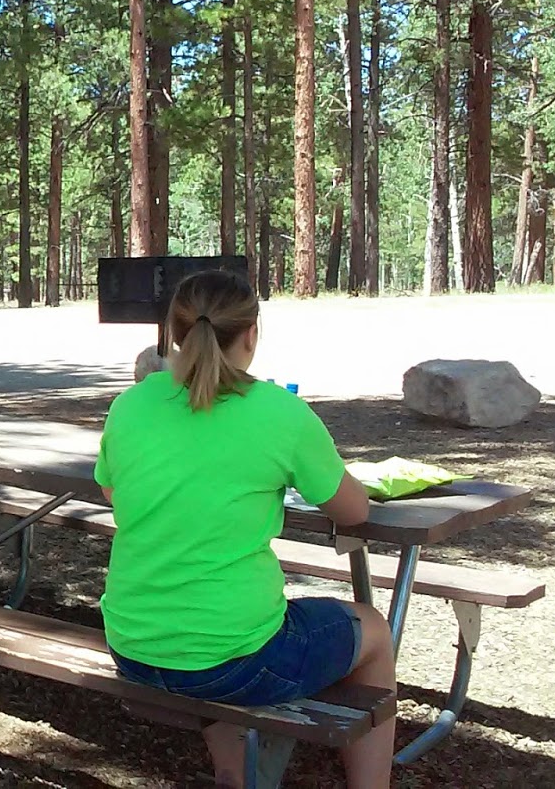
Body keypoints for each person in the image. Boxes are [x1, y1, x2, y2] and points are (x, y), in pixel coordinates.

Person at [94, 270, 394, 788]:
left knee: (223, 636)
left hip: (134, 647)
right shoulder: (280, 412)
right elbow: (352, 511)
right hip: (236, 659)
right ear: (252, 334)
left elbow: (112, 491)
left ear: (174, 332)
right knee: (373, 629)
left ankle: (235, 773)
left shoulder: (131, 403)